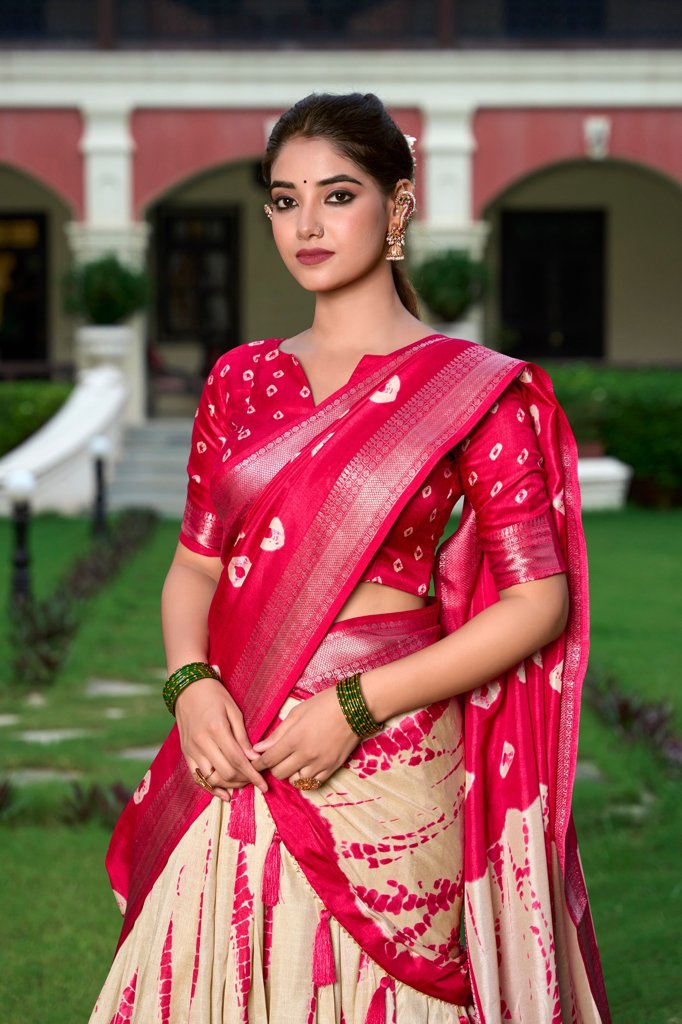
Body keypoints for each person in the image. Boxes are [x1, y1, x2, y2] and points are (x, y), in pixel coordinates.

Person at [90, 93, 610, 1024]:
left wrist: (357, 706)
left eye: (337, 194)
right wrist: (191, 683)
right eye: (286, 200)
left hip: (391, 754)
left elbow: (539, 602)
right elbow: (196, 567)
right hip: (237, 742)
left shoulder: (471, 389)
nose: (309, 224)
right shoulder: (239, 378)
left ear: (397, 205)